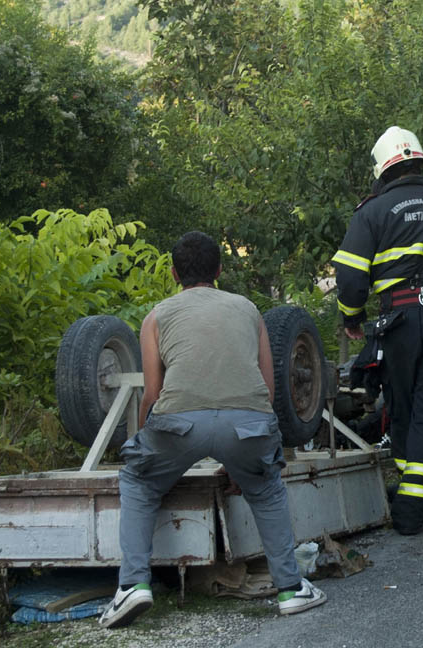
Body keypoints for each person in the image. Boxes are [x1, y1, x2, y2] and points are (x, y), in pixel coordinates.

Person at [99, 231, 326, 628]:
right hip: (248, 425)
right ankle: (290, 589)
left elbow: (152, 393)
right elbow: (269, 390)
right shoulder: (248, 310)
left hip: (178, 424)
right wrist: (242, 463)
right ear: (219, 270)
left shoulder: (156, 317)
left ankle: (132, 586)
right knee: (266, 488)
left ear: (173, 273)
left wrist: (143, 448)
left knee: (139, 481)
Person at [332, 126, 423, 535]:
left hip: (401, 320)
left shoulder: (372, 211)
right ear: (420, 163)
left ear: (383, 170)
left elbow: (351, 275)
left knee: (405, 404)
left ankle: (411, 506)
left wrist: (351, 319)